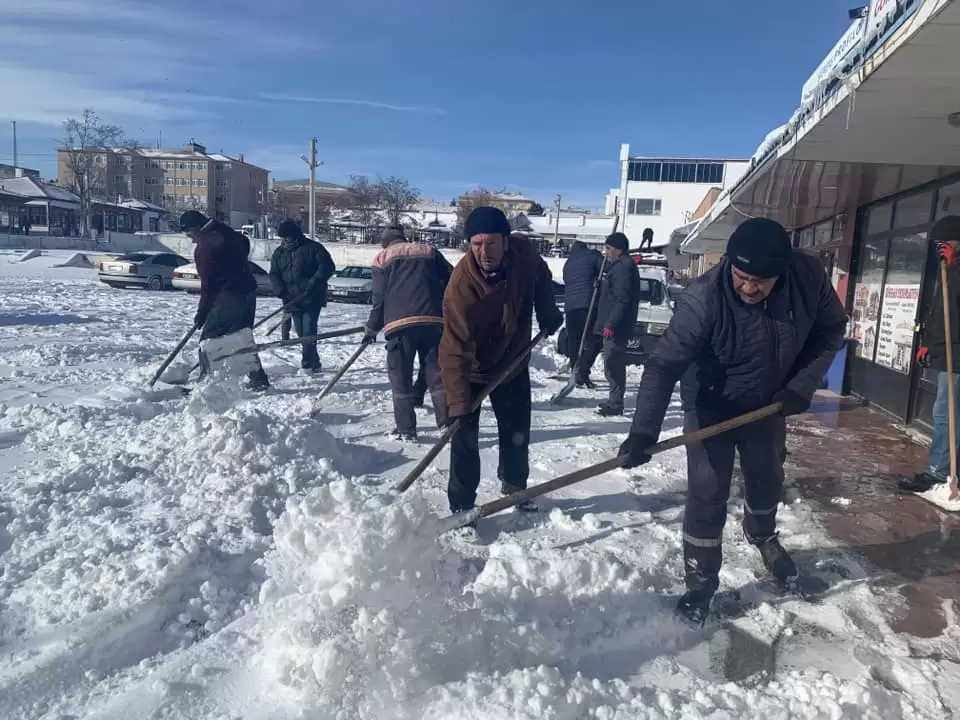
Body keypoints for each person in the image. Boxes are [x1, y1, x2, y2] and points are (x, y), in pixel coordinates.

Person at [617, 217, 846, 624]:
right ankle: (700, 582)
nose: (748, 287)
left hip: (768, 404)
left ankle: (762, 536)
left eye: (760, 280)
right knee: (707, 491)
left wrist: (801, 384)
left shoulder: (808, 277)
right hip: (710, 406)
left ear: (783, 271)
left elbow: (831, 329)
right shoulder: (702, 299)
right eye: (741, 276)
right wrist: (643, 431)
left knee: (766, 477)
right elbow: (664, 365)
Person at [440, 206, 563, 520]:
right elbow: (454, 349)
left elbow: (541, 275)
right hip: (472, 369)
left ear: (506, 241)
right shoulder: (460, 288)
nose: (484, 252)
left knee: (516, 430)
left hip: (512, 360)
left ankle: (514, 486)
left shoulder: (523, 254)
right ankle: (462, 506)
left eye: (491, 243)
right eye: (476, 244)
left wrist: (547, 312)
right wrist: (457, 405)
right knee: (464, 437)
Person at [363, 225, 453, 441]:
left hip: (399, 325)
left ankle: (406, 430)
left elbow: (379, 298)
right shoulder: (429, 251)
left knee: (400, 378)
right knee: (437, 376)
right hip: (433, 322)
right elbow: (453, 278)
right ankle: (447, 424)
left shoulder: (382, 258)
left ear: (386, 242)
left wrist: (372, 327)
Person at [901, 215, 960, 493]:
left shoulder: (954, 270)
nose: (940, 249)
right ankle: (945, 467)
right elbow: (940, 312)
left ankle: (940, 471)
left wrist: (953, 268)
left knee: (946, 415)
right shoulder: (948, 268)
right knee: (947, 414)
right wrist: (927, 342)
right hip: (947, 354)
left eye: (944, 243)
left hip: (958, 358)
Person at [180, 210, 270, 390]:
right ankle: (258, 379)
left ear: (196, 228)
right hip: (248, 292)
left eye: (189, 234)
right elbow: (245, 243)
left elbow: (209, 285)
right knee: (242, 337)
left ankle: (206, 383)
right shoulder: (227, 232)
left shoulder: (205, 247)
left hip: (228, 296)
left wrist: (203, 312)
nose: (191, 239)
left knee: (208, 340)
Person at [269, 219, 336, 372]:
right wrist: (279, 289)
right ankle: (315, 361)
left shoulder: (313, 248)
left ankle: (307, 364)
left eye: (287, 236)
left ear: (296, 235)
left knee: (308, 330)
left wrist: (314, 282)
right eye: (282, 237)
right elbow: (274, 273)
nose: (284, 240)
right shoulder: (279, 253)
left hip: (312, 297)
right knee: (301, 333)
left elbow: (327, 266)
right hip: (292, 299)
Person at [590, 232, 642, 416]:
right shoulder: (618, 266)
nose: (606, 252)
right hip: (613, 324)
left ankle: (616, 403)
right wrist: (601, 284)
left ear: (619, 249)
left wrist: (611, 323)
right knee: (612, 364)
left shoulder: (623, 268)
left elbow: (622, 300)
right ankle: (614, 400)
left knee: (613, 364)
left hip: (616, 327)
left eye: (609, 248)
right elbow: (613, 292)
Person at [562, 240, 605, 388]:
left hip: (570, 308)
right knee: (594, 339)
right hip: (587, 305)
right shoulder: (593, 255)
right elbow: (604, 268)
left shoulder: (567, 264)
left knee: (574, 342)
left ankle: (576, 372)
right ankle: (583, 371)